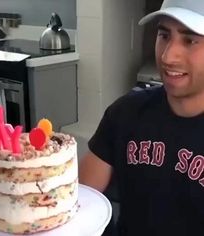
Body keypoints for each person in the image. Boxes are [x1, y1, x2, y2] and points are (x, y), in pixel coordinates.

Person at [79, 0, 204, 235]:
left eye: (190, 40)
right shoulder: (125, 113)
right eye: (164, 35)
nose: (168, 56)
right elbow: (79, 203)